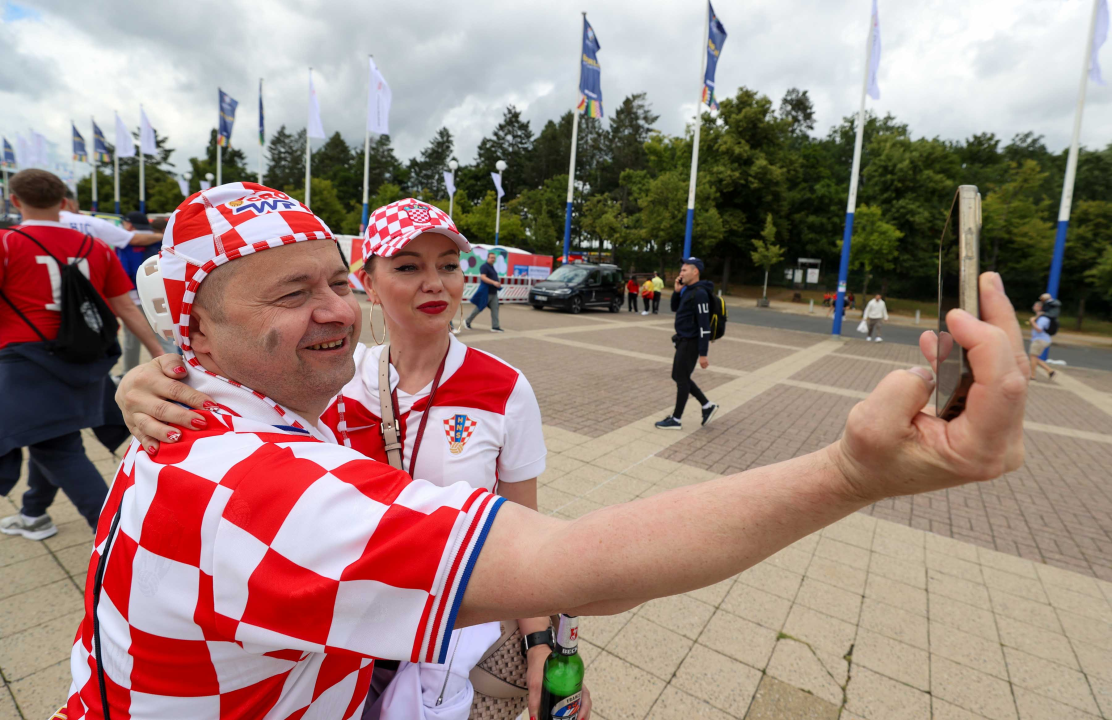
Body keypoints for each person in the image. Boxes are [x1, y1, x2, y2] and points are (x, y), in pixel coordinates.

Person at [69, 182, 1030, 720]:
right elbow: (580, 561)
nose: (334, 307)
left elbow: (530, 532)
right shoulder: (275, 448)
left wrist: (547, 649)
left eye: (331, 281)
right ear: (191, 328)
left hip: (431, 637)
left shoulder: (286, 409)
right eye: (291, 293)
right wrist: (852, 473)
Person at [116, 197, 584, 719]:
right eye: (408, 266)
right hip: (340, 643)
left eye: (448, 266)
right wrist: (154, 379)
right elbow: (235, 386)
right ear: (368, 280)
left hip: (448, 638)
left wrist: (543, 642)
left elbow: (529, 523)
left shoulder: (504, 388)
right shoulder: (331, 377)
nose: (435, 283)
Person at [0, 169, 165, 541]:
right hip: (83, 358)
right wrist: (158, 351)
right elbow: (125, 307)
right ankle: (33, 513)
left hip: (25, 360)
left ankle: (118, 536)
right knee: (53, 434)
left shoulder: (7, 243)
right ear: (64, 203)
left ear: (15, 201)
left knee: (54, 444)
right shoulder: (95, 247)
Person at [656, 258, 719, 430]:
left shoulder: (700, 293)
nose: (680, 273)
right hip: (683, 341)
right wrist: (677, 291)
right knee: (679, 376)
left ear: (695, 271)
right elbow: (675, 308)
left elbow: (704, 325)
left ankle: (676, 419)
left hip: (690, 343)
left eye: (684, 270)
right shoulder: (689, 290)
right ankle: (707, 405)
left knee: (681, 379)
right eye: (681, 270)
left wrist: (703, 353)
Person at [59, 189, 163, 248]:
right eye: (78, 205)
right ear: (70, 204)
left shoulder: (44, 224)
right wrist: (162, 236)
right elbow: (133, 239)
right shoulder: (93, 222)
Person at [465, 250, 503, 333]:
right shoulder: (484, 266)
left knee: (495, 309)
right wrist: (494, 282)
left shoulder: (492, 267)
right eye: (492, 257)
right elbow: (483, 277)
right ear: (488, 258)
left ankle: (495, 326)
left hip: (493, 293)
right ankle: (467, 321)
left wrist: (497, 283)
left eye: (494, 258)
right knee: (479, 308)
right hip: (486, 292)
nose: (493, 259)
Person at [1028, 301, 1056, 380]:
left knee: (1033, 357)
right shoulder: (1040, 317)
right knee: (1034, 357)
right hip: (1039, 339)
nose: (1033, 306)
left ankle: (1033, 375)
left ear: (1040, 307)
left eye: (1035, 305)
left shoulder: (1043, 318)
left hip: (1040, 340)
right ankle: (1050, 371)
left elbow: (1039, 329)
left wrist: (1032, 321)